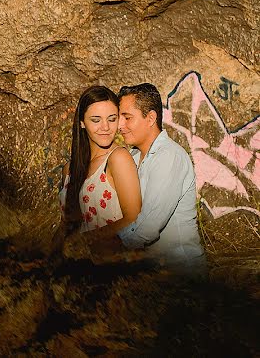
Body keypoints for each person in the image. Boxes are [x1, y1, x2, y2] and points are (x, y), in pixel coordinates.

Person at [116, 83, 207, 276]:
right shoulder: (131, 157)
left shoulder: (168, 156)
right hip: (152, 272)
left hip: (182, 274)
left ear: (150, 118)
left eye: (127, 118)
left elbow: (148, 227)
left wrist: (109, 245)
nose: (119, 126)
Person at [60, 86, 142, 238]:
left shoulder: (118, 158)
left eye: (112, 119)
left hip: (111, 258)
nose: (105, 127)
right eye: (96, 120)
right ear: (82, 123)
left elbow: (134, 218)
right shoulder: (69, 170)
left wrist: (85, 241)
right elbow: (65, 225)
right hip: (74, 259)